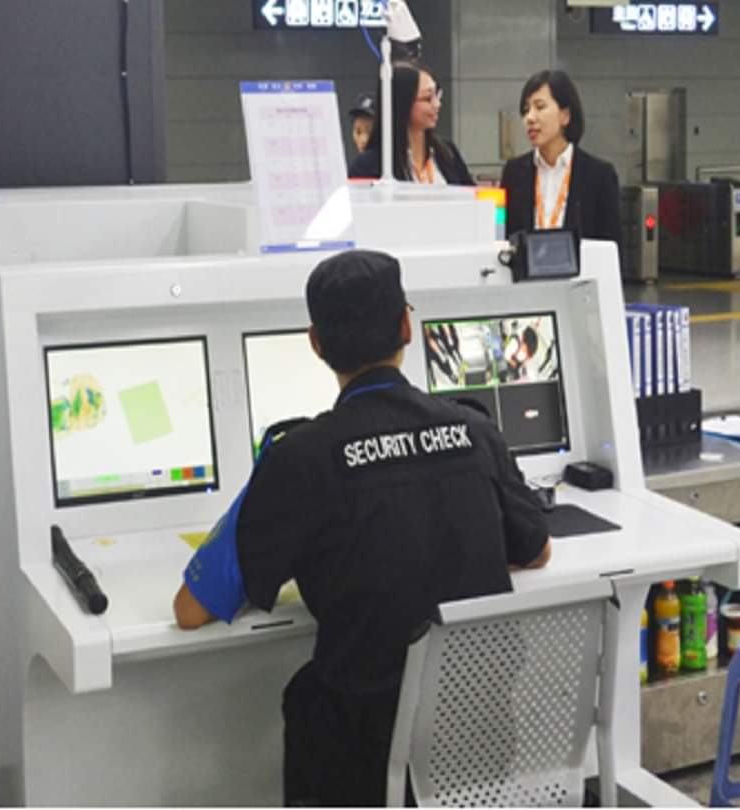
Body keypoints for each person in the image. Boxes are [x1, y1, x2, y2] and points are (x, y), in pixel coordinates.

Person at [172, 249, 551, 806]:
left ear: (316, 344)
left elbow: (191, 609)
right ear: (406, 325)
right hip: (474, 750)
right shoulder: (476, 432)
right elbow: (536, 550)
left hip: (358, 762)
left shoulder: (300, 459)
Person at [501, 70, 621, 252]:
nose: (530, 118)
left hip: (580, 278)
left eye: (540, 107)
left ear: (565, 115)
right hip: (526, 277)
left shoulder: (598, 175)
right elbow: (505, 238)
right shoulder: (515, 172)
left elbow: (612, 247)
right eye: (526, 110)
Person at [348, 61, 473, 185]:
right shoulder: (368, 166)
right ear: (403, 103)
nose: (437, 104)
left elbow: (476, 198)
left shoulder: (447, 153)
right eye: (428, 98)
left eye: (437, 95)